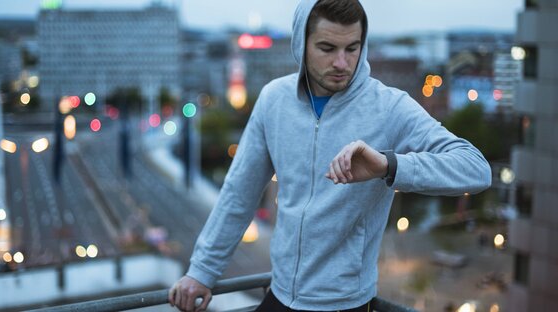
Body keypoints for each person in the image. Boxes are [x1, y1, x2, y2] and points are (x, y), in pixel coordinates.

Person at [169, 0, 492, 311]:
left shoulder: (389, 107)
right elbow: (239, 194)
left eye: (352, 48)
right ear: (301, 44)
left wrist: (388, 165)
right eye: (327, 49)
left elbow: (475, 169)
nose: (342, 63)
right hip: (280, 294)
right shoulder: (273, 100)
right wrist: (202, 272)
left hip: (344, 304)